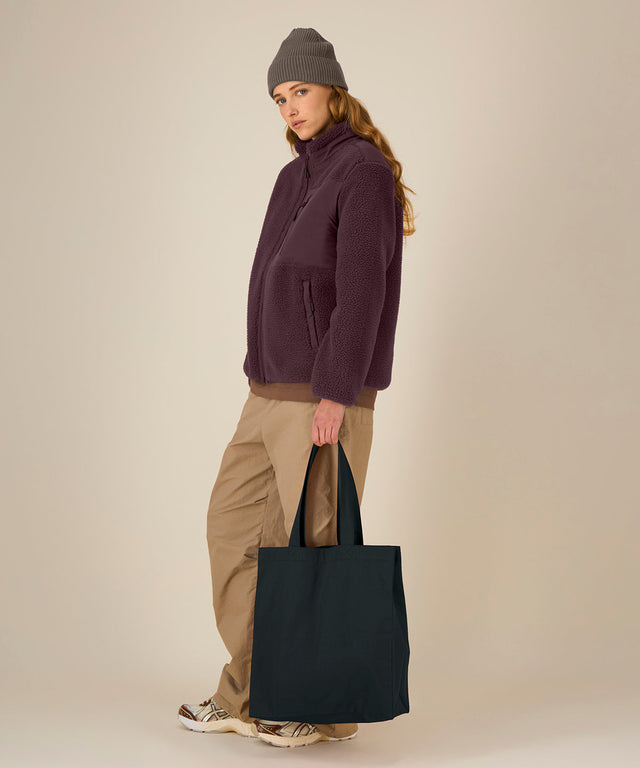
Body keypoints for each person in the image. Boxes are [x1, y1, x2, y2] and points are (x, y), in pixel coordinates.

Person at [177, 26, 415, 748]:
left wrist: (337, 391)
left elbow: (362, 292)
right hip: (269, 390)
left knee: (317, 548)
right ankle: (253, 691)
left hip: (321, 394)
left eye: (300, 91)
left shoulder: (362, 171)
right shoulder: (294, 178)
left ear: (333, 90)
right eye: (279, 97)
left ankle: (323, 709)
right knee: (233, 530)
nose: (289, 107)